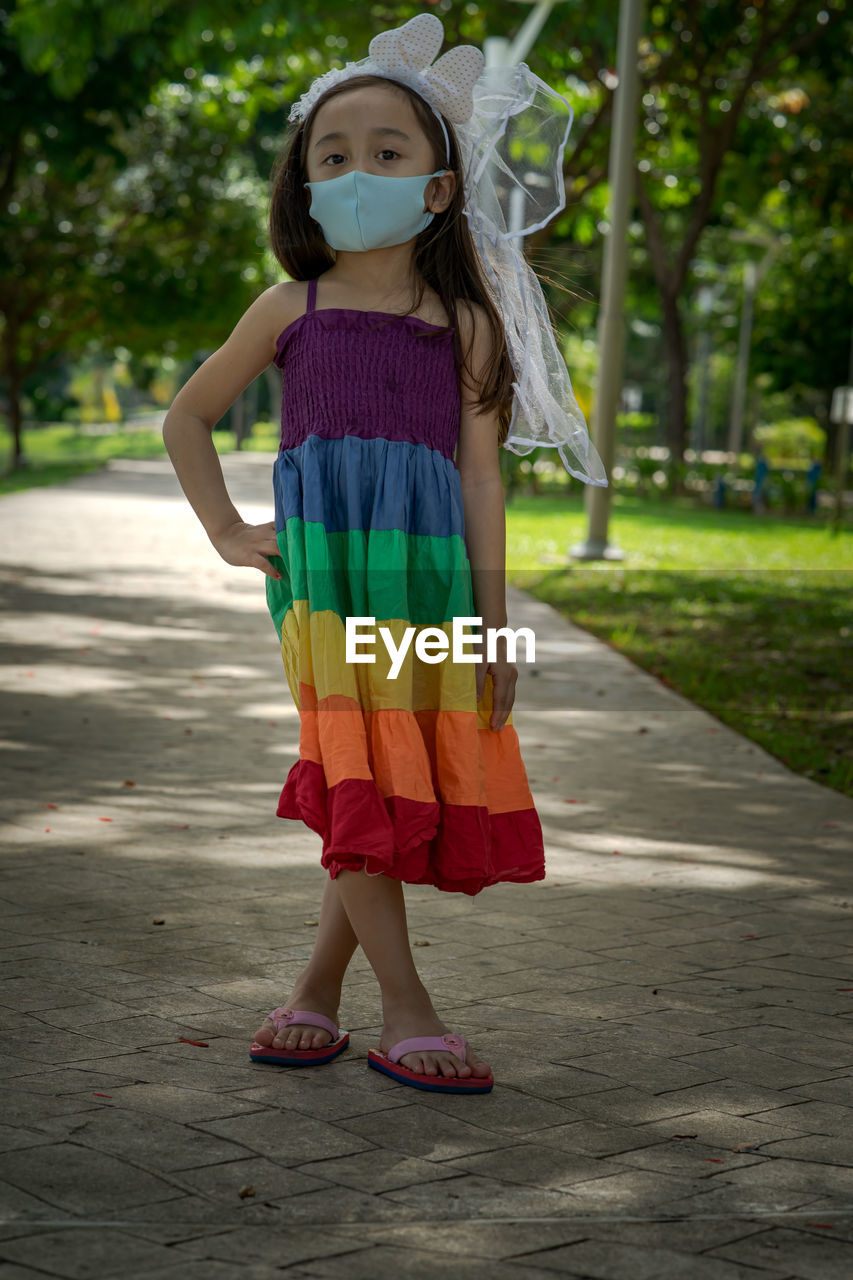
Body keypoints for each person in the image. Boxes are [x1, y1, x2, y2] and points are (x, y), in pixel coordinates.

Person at [162, 12, 606, 1095]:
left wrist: (496, 621)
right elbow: (187, 417)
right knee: (355, 764)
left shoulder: (465, 323)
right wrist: (227, 532)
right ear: (302, 185)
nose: (356, 170)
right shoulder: (288, 307)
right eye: (332, 155)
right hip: (324, 585)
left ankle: (316, 988)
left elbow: (481, 477)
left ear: (440, 188)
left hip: (427, 590)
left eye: (386, 153)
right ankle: (407, 1007)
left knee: (387, 772)